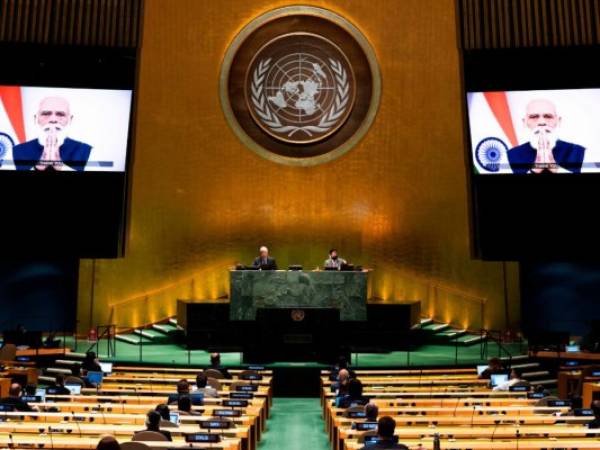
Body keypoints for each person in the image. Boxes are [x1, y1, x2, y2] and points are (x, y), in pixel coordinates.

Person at [13, 96, 92, 171]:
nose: (53, 120)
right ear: (35, 119)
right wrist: (38, 168)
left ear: (70, 119)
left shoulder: (87, 151)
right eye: (46, 113)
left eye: (60, 114)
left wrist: (61, 168)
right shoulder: (16, 152)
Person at [507, 99, 585, 174]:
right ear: (525, 122)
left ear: (558, 121)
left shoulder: (579, 152)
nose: (542, 122)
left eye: (548, 116)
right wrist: (535, 170)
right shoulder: (510, 156)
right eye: (534, 116)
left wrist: (556, 169)